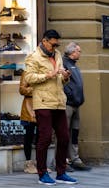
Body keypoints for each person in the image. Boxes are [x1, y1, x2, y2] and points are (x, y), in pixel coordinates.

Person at [24, 30, 77, 186]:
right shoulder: (33, 57)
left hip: (59, 102)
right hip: (43, 102)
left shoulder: (58, 55)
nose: (55, 47)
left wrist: (65, 76)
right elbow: (28, 78)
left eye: (57, 44)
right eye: (53, 44)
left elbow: (60, 79)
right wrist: (49, 74)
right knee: (45, 138)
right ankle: (42, 174)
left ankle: (61, 173)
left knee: (64, 137)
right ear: (44, 41)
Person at [63, 42, 90, 171]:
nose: (80, 53)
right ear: (72, 52)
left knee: (74, 132)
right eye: (79, 51)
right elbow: (63, 83)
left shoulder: (74, 65)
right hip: (68, 104)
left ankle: (75, 159)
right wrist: (70, 95)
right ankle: (62, 160)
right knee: (63, 133)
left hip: (76, 104)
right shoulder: (64, 63)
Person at [19, 69, 37, 173]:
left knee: (42, 137)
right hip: (29, 109)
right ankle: (28, 164)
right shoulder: (26, 72)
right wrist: (37, 89)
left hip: (42, 107)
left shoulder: (44, 72)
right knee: (28, 137)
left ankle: (40, 163)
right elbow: (22, 90)